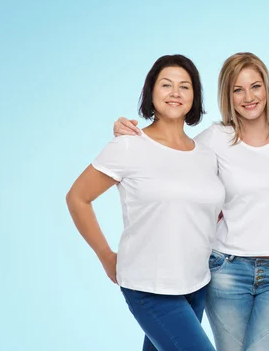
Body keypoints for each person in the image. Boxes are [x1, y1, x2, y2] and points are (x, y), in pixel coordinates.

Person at [113, 52, 269, 351]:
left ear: (267, 88)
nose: (248, 97)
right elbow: (168, 155)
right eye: (237, 89)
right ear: (227, 95)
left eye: (255, 86)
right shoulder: (214, 140)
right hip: (228, 270)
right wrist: (128, 137)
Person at [66, 54, 224, 351]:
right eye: (166, 85)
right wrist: (105, 256)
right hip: (149, 287)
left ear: (195, 96)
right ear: (151, 92)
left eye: (184, 86)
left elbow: (208, 211)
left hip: (197, 283)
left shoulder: (205, 154)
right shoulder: (128, 145)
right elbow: (77, 198)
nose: (175, 93)